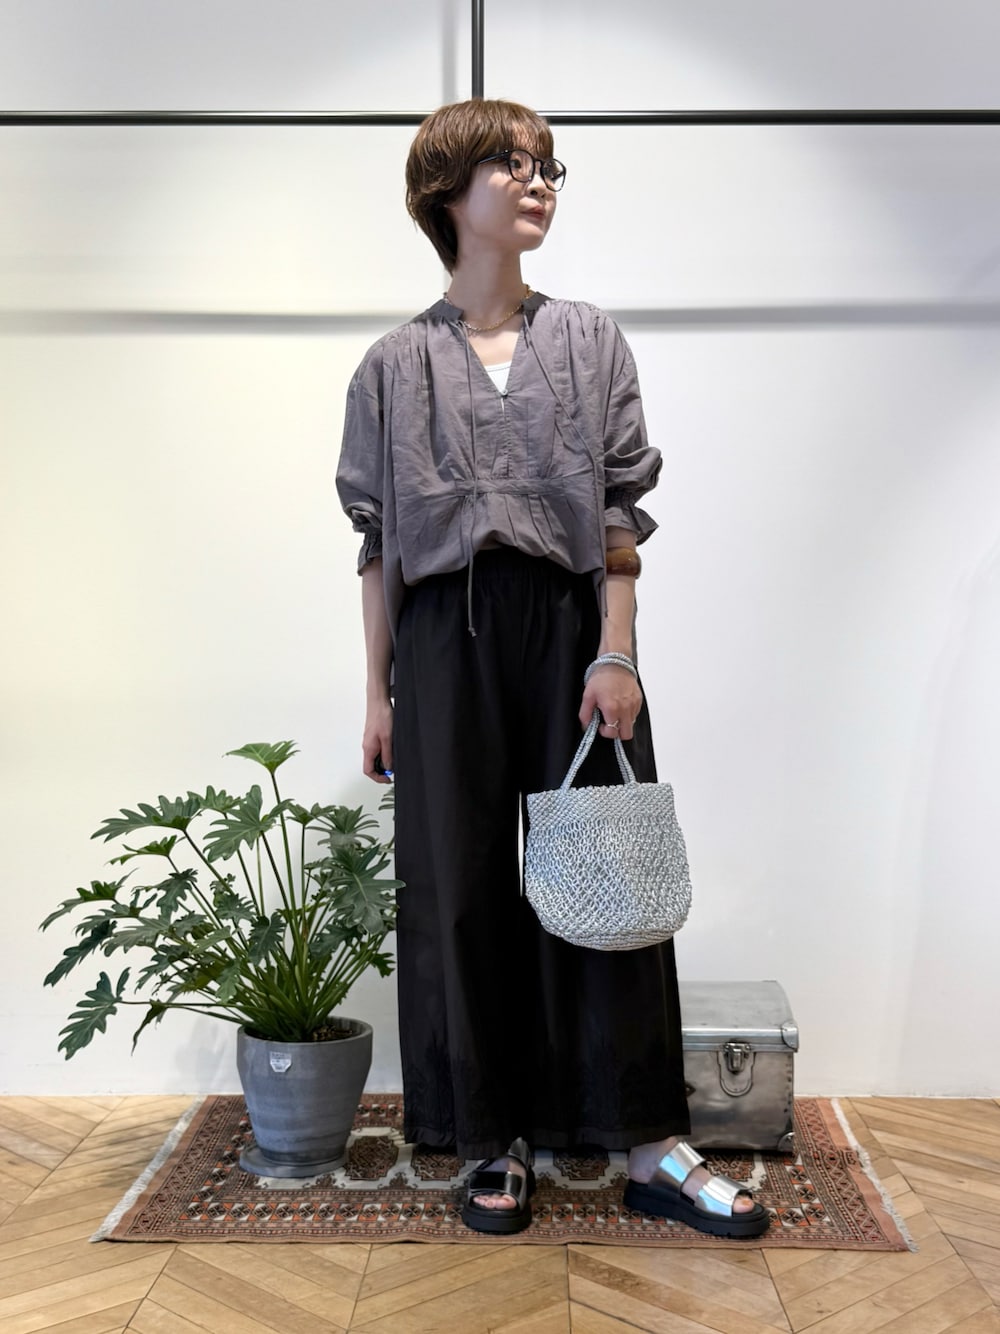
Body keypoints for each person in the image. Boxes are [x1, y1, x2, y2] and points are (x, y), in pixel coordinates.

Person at [336, 98, 769, 1240]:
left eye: (547, 167)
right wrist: (378, 694)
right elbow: (379, 548)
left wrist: (615, 649)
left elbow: (619, 513)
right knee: (463, 886)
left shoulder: (587, 340)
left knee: (611, 877)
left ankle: (648, 1140)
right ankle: (494, 1132)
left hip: (574, 628)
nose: (537, 182)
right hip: (443, 640)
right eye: (510, 164)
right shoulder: (391, 367)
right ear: (446, 192)